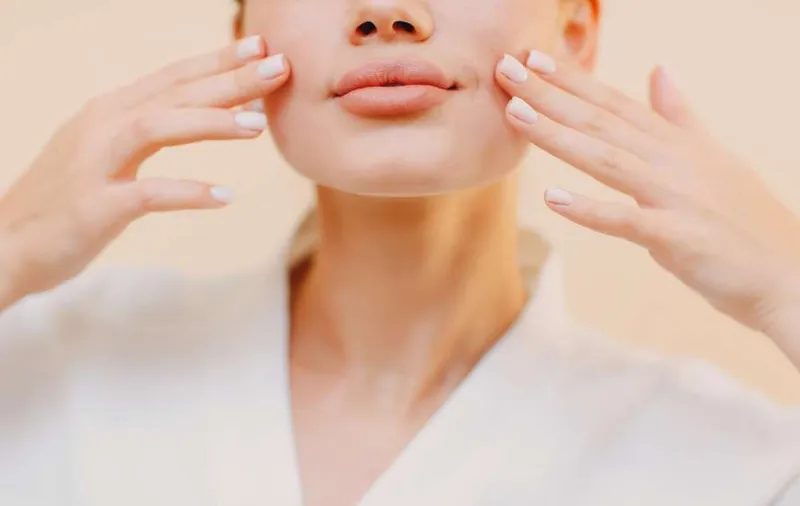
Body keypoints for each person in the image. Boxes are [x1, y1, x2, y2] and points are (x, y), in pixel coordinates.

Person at [0, 0, 798, 504]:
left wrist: (787, 279)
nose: (386, 14)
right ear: (246, 30)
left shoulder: (742, 463)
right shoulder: (49, 364)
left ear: (575, 30)